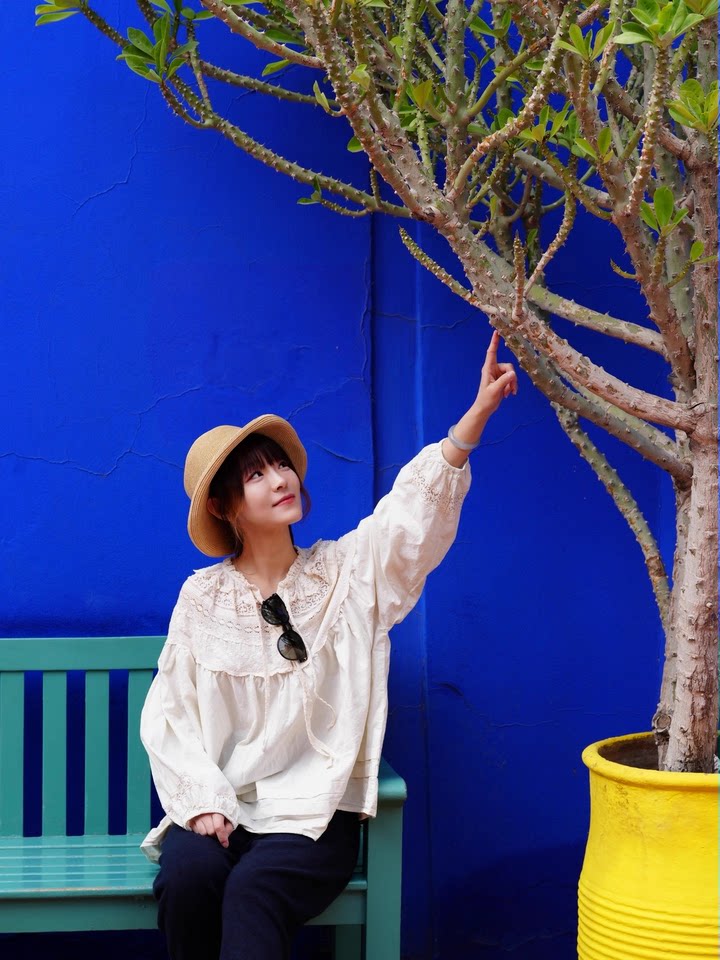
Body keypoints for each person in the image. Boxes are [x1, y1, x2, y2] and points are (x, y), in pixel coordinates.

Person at [140, 330, 517, 960]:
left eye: (279, 465)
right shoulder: (201, 598)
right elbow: (170, 714)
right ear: (227, 507)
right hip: (225, 802)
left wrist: (472, 421)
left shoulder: (346, 574)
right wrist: (202, 802)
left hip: (314, 814)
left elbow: (408, 523)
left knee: (254, 892)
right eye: (255, 475)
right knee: (187, 877)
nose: (279, 480)